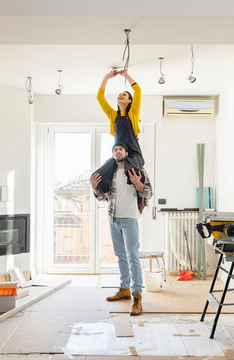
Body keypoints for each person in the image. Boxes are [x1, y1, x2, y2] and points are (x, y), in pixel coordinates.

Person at [90, 143, 153, 316]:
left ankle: (137, 296)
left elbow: (149, 193)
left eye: (120, 149)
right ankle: (125, 288)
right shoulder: (110, 173)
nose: (117, 151)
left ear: (126, 152)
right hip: (113, 219)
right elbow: (103, 197)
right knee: (120, 256)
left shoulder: (138, 171)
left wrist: (138, 184)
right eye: (115, 150)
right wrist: (95, 189)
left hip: (130, 219)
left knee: (133, 257)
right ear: (113, 154)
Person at [93, 70, 145, 195]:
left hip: (132, 153)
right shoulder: (113, 116)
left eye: (124, 95)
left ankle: (138, 197)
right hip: (119, 153)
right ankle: (105, 194)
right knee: (98, 176)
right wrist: (106, 77)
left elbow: (138, 91)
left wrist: (125, 75)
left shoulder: (133, 114)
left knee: (134, 173)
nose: (120, 96)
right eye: (119, 95)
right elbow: (100, 98)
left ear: (130, 101)